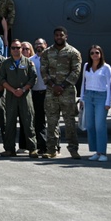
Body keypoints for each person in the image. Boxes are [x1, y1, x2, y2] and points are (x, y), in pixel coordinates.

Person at [41, 26, 82, 160]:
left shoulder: (73, 52)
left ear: (66, 36)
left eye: (61, 35)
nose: (59, 37)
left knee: (69, 122)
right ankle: (51, 149)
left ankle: (73, 149)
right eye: (57, 35)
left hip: (67, 92)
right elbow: (43, 71)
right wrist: (53, 86)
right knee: (52, 122)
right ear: (54, 37)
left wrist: (62, 86)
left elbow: (75, 72)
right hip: (51, 92)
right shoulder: (47, 52)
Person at [0, 41, 38, 158]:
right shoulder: (6, 63)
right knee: (9, 123)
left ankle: (32, 148)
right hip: (11, 96)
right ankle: (9, 149)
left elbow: (33, 78)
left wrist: (23, 89)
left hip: (25, 96)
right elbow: (1, 79)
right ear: (10, 49)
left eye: (18, 48)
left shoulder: (28, 62)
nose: (16, 50)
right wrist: (12, 90)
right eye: (13, 48)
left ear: (22, 49)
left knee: (28, 122)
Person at [80, 45, 111, 161]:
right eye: (92, 53)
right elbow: (83, 82)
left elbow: (109, 86)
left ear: (101, 54)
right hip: (88, 96)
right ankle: (96, 151)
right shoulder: (86, 66)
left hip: (101, 96)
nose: (94, 55)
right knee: (90, 125)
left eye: (97, 53)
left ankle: (102, 152)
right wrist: (82, 98)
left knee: (100, 125)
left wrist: (108, 101)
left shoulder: (106, 67)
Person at [21, 41, 48, 157]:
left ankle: (54, 147)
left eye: (41, 44)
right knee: (38, 120)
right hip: (35, 93)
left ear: (45, 45)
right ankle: (41, 146)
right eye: (36, 43)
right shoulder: (30, 60)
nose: (39, 46)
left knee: (52, 121)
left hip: (48, 92)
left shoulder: (50, 58)